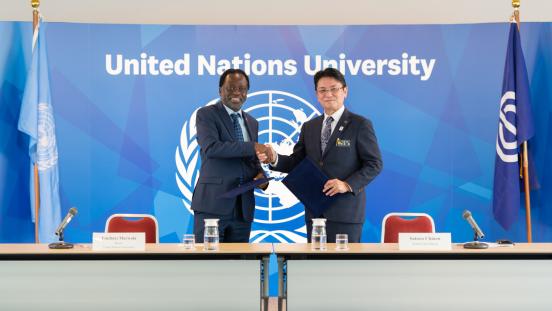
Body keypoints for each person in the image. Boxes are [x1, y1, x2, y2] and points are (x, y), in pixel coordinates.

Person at [258, 67, 383, 243]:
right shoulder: (309, 127)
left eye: (334, 89)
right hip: (315, 213)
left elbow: (374, 164)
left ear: (345, 91)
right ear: (317, 94)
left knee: (343, 266)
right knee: (315, 268)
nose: (328, 94)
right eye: (322, 90)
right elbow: (297, 163)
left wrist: (347, 185)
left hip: (345, 214)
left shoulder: (360, 125)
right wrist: (274, 158)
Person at [191, 68, 272, 243]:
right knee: (205, 263)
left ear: (247, 93)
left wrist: (261, 175)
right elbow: (212, 148)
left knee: (240, 267)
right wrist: (252, 146)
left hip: (243, 209)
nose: (236, 92)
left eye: (241, 89)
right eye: (231, 88)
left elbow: (251, 158)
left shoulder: (252, 122)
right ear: (220, 90)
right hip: (212, 205)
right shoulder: (206, 114)